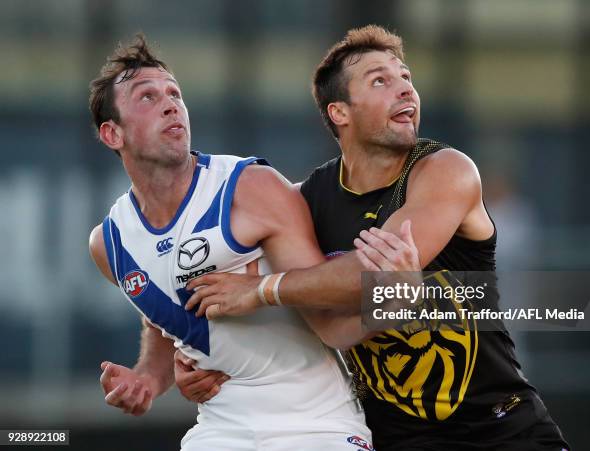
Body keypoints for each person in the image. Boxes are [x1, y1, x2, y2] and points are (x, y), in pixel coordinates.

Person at [178, 25, 570, 451]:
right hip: (391, 436)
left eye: (406, 78)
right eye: (380, 80)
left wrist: (263, 290)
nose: (405, 90)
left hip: (502, 426)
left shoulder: (445, 170)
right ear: (339, 112)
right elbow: (215, 270)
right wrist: (198, 359)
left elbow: (366, 272)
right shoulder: (307, 200)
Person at [87, 33, 422, 450]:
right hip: (221, 427)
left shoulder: (250, 188)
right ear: (112, 135)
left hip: (315, 424)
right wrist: (149, 379)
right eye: (147, 98)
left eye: (175, 93)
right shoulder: (110, 245)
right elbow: (161, 314)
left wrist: (395, 302)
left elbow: (330, 322)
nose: (171, 104)